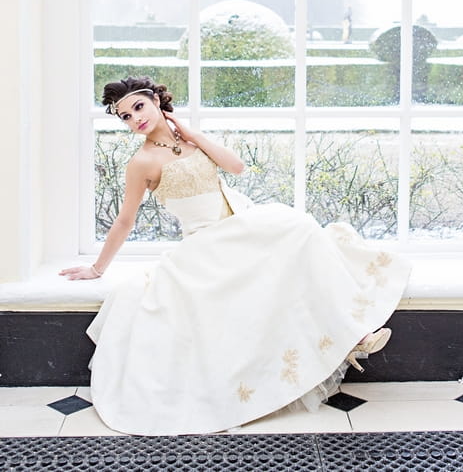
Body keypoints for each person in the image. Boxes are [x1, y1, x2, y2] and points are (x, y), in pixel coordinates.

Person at [61, 76, 410, 435]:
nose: (136, 119)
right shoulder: (142, 162)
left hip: (237, 224)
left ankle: (352, 334)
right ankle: (351, 336)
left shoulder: (190, 139)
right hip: (205, 244)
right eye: (125, 117)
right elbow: (125, 220)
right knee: (293, 238)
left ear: (155, 101)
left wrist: (193, 135)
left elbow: (236, 167)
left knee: (300, 228)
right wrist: (96, 267)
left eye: (138, 107)